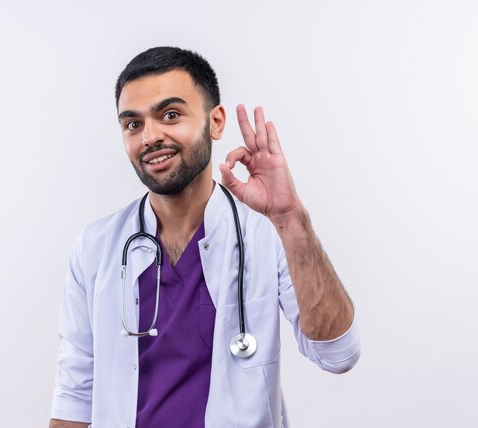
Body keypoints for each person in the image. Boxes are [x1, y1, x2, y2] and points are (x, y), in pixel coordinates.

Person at [49, 46, 360, 428]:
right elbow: (75, 396)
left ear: (215, 122)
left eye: (171, 115)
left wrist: (291, 218)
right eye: (133, 124)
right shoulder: (95, 247)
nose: (150, 136)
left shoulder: (267, 235)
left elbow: (338, 354)